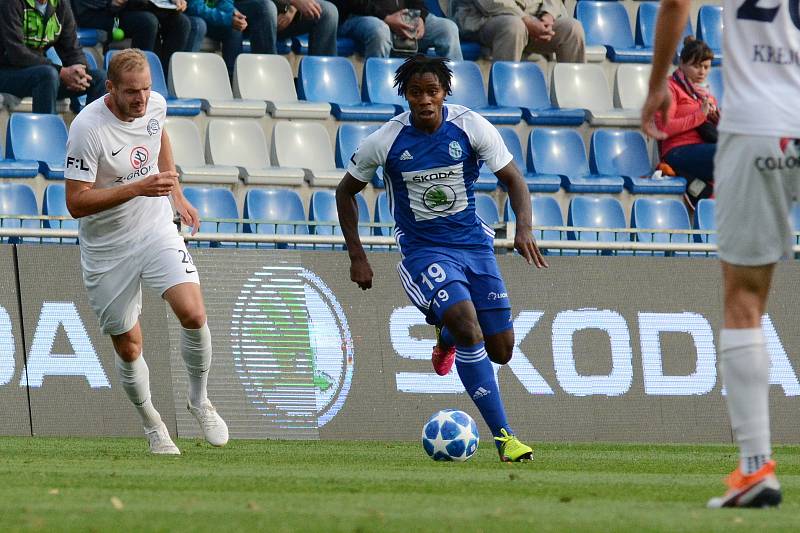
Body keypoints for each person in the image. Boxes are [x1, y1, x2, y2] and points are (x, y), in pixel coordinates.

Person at [336, 55, 548, 462]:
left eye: (432, 91)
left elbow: (513, 179)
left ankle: (445, 336)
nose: (425, 100)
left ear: (445, 92)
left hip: (474, 246)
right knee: (471, 330)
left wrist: (523, 228)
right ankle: (505, 437)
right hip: (424, 251)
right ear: (406, 95)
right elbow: (345, 192)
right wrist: (357, 255)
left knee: (501, 350)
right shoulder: (386, 140)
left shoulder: (471, 126)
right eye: (416, 92)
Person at [642, 0, 795, 509]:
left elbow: (677, 4)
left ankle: (756, 469)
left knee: (744, 301)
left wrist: (657, 81)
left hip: (760, 128)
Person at [64, 49, 228, 455]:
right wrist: (137, 187)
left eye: (146, 90)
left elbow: (158, 137)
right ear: (110, 89)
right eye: (131, 92)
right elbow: (75, 203)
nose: (140, 99)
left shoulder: (155, 105)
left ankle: (199, 400)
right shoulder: (87, 128)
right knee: (129, 346)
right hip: (107, 248)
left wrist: (176, 192)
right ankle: (152, 423)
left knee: (193, 313)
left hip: (154, 228)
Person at [0, 0, 106, 114]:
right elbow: (17, 54)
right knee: (48, 74)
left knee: (99, 78)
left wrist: (81, 71)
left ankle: (87, 129)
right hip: (7, 72)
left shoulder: (60, 4)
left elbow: (72, 48)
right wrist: (61, 71)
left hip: (39, 73)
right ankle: (47, 129)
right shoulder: (10, 3)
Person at [655, 36, 719, 209]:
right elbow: (663, 127)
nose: (702, 72)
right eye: (696, 66)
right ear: (681, 63)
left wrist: (717, 117)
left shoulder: (706, 94)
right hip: (677, 152)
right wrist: (699, 115)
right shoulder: (669, 88)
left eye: (706, 67)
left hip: (703, 151)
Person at [73, 0, 191, 79]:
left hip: (136, 6)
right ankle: (139, 79)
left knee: (181, 23)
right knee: (147, 22)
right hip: (96, 11)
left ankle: (166, 81)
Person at [451, 0, 584, 62]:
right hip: (485, 18)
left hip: (535, 19)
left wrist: (548, 16)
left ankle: (574, 98)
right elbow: (491, 4)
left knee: (572, 28)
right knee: (514, 26)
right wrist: (526, 20)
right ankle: (504, 99)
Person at [336, 0, 462, 60]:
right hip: (362, 17)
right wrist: (386, 17)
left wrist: (421, 18)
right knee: (380, 30)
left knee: (447, 29)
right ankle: (377, 92)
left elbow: (417, 2)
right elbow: (352, 3)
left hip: (402, 18)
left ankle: (454, 91)